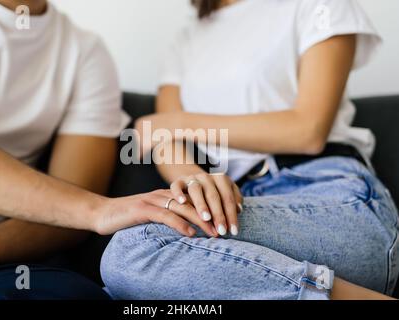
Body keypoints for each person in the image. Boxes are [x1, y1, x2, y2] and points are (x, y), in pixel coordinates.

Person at [101, 0, 399, 300]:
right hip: (242, 204)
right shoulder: (188, 38)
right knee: (125, 284)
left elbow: (308, 131)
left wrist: (178, 121)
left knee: (138, 244)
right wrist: (196, 183)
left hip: (329, 192)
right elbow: (163, 139)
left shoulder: (317, 5)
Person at [0, 0, 203, 300]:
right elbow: (85, 209)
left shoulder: (85, 52)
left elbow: (69, 216)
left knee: (74, 295)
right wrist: (98, 209)